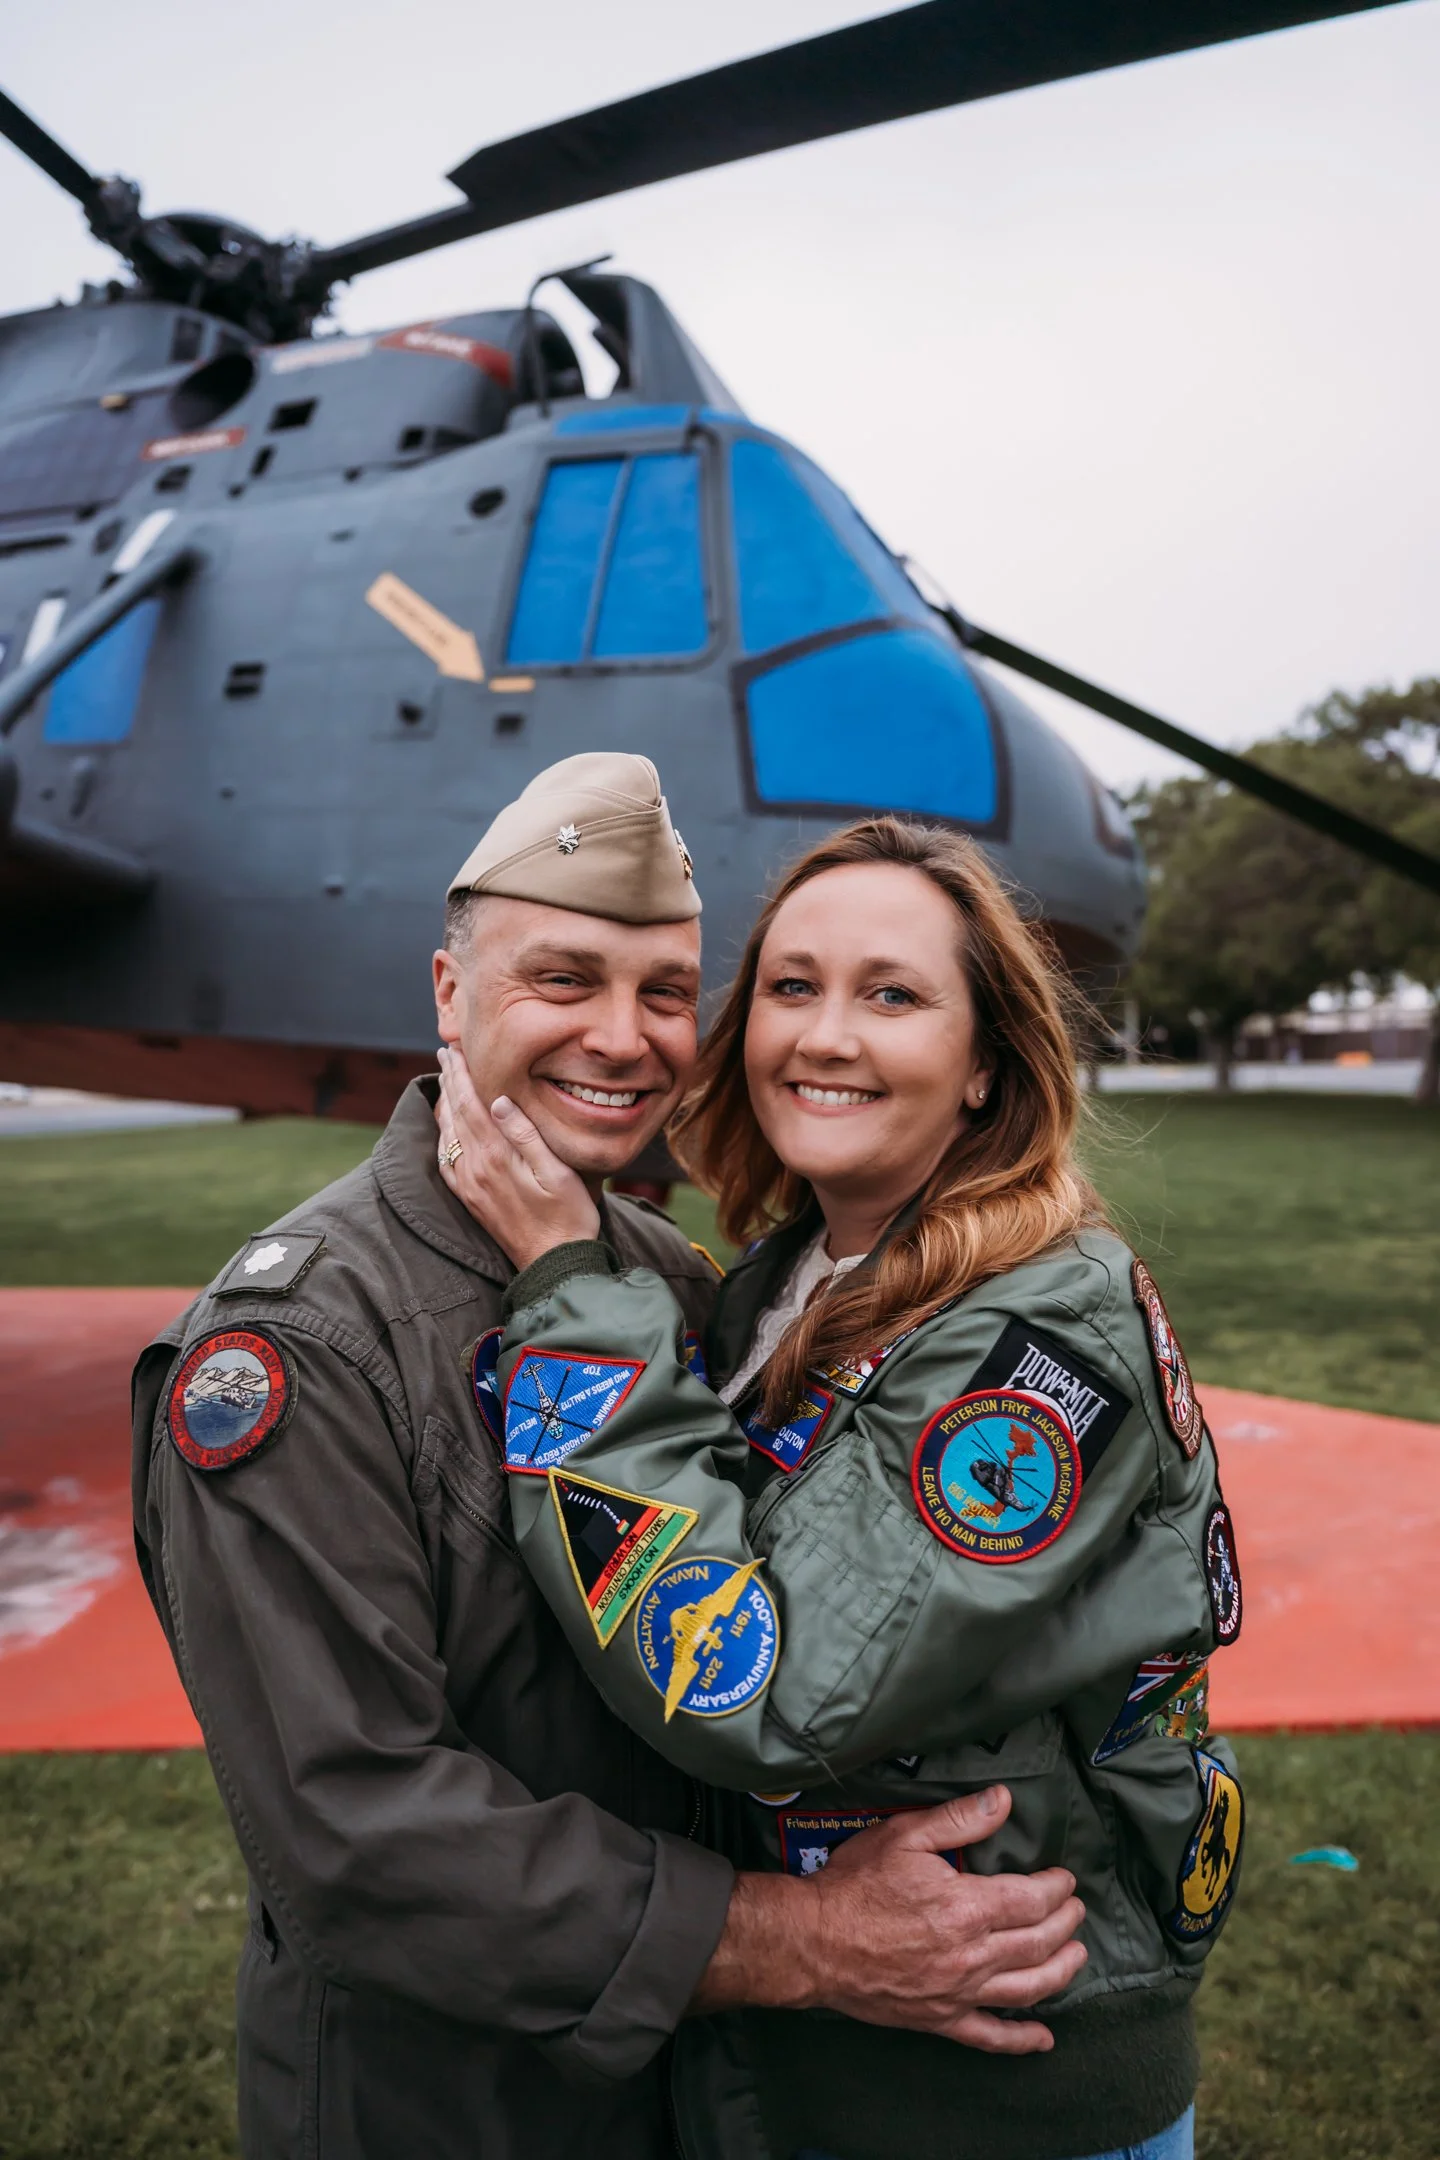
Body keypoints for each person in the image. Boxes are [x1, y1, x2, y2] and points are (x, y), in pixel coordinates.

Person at [131, 760, 1087, 2160]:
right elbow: (361, 1833)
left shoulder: (658, 1275)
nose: (625, 1038)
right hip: (450, 2109)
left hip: (698, 2098)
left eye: (664, 993)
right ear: (448, 992)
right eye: (565, 979)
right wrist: (807, 1939)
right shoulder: (300, 1343)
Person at [435, 813, 1247, 2160]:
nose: (824, 1036)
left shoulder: (1044, 1329)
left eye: (893, 996)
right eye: (793, 987)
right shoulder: (786, 1278)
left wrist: (573, 1298)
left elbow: (767, 1688)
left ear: (984, 1065)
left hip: (1007, 2087)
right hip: (817, 2048)